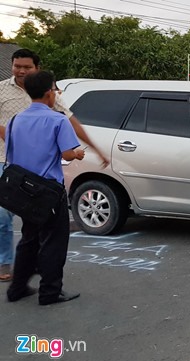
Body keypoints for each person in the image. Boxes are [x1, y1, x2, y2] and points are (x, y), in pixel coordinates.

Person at [0, 49, 109, 282]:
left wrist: (98, 148)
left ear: (36, 68)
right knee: (6, 218)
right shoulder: (2, 91)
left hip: (36, 175)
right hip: (8, 164)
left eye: (26, 67)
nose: (21, 71)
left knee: (32, 226)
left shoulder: (49, 101)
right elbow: (68, 152)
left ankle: (24, 277)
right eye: (17, 66)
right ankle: (9, 264)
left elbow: (72, 122)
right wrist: (25, 138)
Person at [5, 71, 85, 305]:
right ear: (50, 94)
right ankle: (50, 292)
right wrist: (78, 154)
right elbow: (68, 152)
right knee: (53, 242)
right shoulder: (57, 120)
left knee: (28, 239)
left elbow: (10, 153)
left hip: (22, 189)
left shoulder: (15, 120)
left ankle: (17, 288)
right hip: (48, 190)